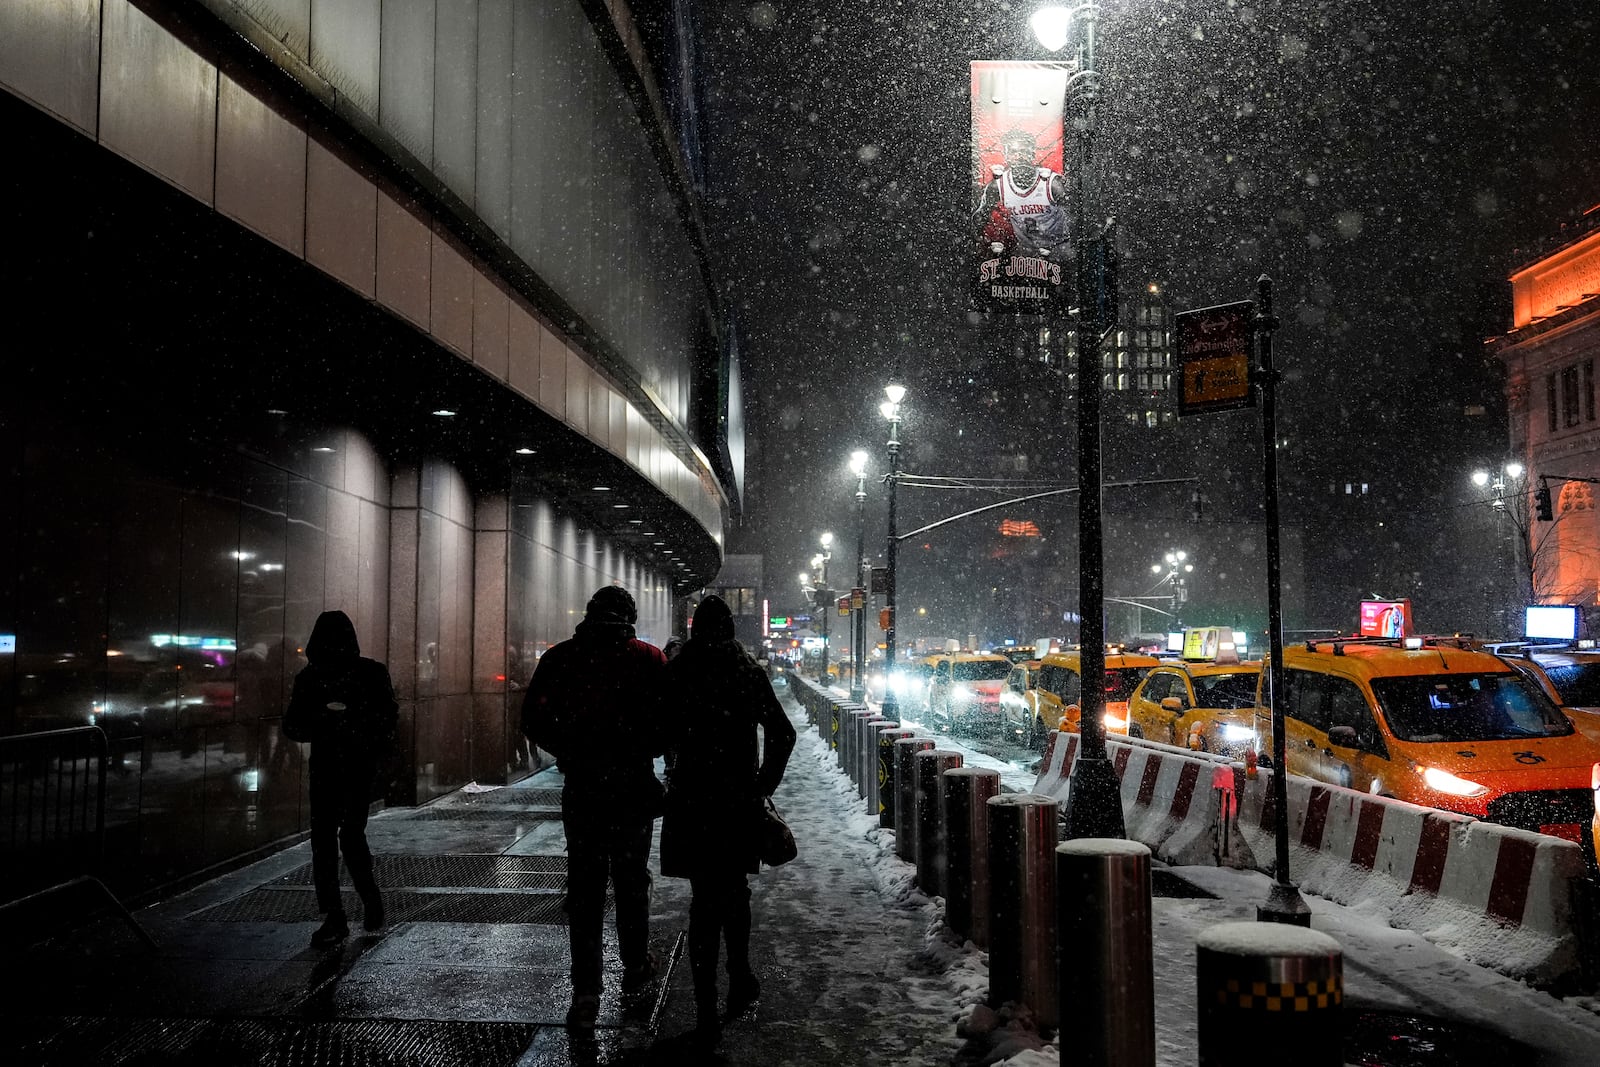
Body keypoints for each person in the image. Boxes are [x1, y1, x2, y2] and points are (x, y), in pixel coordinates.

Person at [521, 585, 668, 1026]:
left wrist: (572, 749)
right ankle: (636, 965)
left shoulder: (561, 658)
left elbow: (533, 720)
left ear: (589, 614)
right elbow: (668, 723)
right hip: (632, 790)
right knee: (631, 880)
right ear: (630, 616)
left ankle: (586, 990)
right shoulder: (649, 659)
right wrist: (643, 747)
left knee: (585, 887)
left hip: (583, 790)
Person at [659, 594, 797, 1043]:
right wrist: (762, 784)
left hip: (692, 801)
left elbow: (654, 731)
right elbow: (783, 732)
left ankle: (704, 1003)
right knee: (735, 893)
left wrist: (677, 759)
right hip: (737, 801)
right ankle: (739, 977)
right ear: (731, 630)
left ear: (696, 629)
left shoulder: (678, 672)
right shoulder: (747, 673)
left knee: (703, 900)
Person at [282, 610, 398, 949]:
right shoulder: (371, 673)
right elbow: (388, 718)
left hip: (327, 768)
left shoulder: (310, 677)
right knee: (351, 835)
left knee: (325, 842)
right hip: (356, 767)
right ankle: (369, 901)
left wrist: (325, 722)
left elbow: (293, 726)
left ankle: (335, 916)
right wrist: (355, 724)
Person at [972, 127, 1071, 259]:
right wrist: (981, 242)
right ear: (1006, 155)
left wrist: (1069, 245)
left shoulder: (1052, 184)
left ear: (1033, 154)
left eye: (1024, 151)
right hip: (1026, 253)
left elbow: (1073, 216)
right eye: (1014, 152)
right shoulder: (998, 186)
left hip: (1057, 249)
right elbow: (980, 217)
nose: (1019, 156)